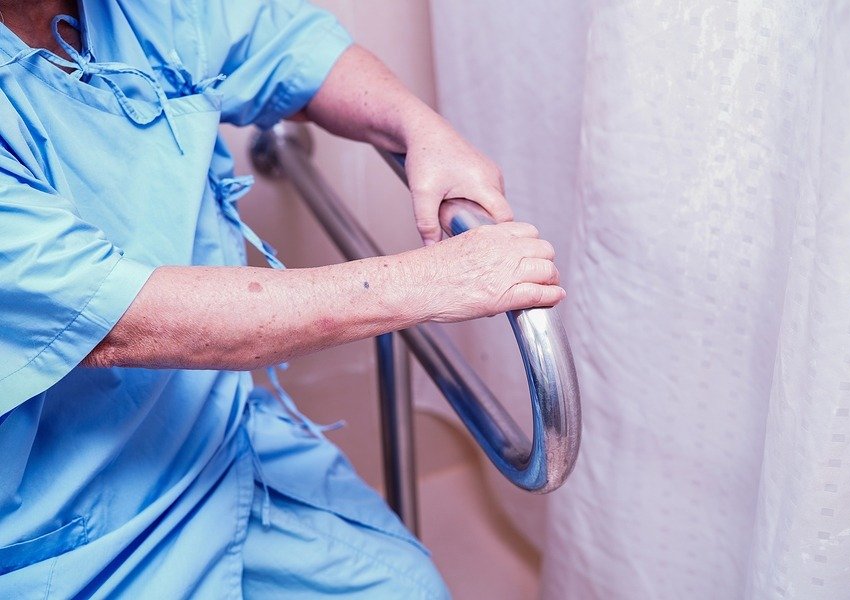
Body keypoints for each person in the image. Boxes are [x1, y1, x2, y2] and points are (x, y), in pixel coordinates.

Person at [0, 0, 564, 598]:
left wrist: (421, 129)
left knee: (410, 588)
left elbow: (283, 43)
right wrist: (436, 281)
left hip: (213, 432)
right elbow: (128, 321)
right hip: (71, 514)